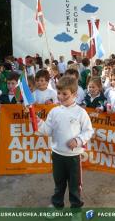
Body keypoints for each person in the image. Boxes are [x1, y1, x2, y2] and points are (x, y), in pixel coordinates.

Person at [36, 76, 94, 219]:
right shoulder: (54, 112)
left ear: (74, 94)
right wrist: (38, 123)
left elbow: (89, 131)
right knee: (59, 183)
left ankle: (76, 210)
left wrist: (78, 140)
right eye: (59, 93)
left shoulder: (81, 112)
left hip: (74, 157)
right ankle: (57, 205)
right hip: (57, 154)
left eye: (65, 94)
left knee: (75, 186)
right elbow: (47, 130)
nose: (61, 97)